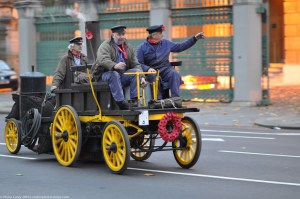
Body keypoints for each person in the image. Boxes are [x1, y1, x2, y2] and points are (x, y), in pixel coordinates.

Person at [137, 25, 205, 99]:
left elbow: (180, 47)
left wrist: (195, 38)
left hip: (165, 69)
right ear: (154, 35)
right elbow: (139, 63)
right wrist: (147, 69)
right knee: (153, 76)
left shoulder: (166, 43)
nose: (162, 35)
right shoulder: (142, 48)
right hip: (152, 71)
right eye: (160, 33)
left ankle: (175, 98)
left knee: (174, 73)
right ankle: (158, 100)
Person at [91, 25, 146, 110]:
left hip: (121, 75)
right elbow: (102, 59)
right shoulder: (105, 46)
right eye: (119, 35)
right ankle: (121, 102)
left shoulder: (128, 47)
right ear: (113, 35)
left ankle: (134, 100)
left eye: (123, 34)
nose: (122, 37)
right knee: (114, 74)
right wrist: (114, 65)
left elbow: (135, 63)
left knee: (136, 72)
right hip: (104, 75)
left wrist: (142, 76)